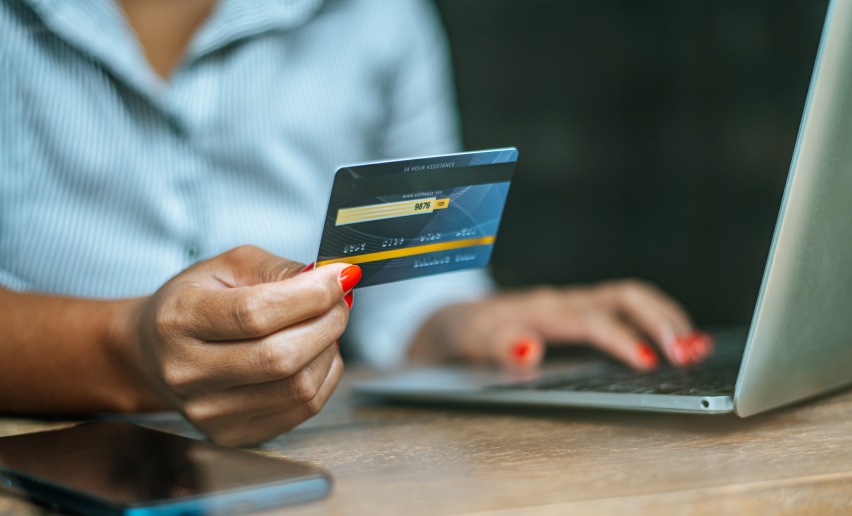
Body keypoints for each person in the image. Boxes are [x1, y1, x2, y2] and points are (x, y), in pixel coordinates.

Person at [0, 0, 712, 446]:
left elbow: (409, 294)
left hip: (315, 471)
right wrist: (128, 347)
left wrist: (464, 323)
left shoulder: (384, 16)